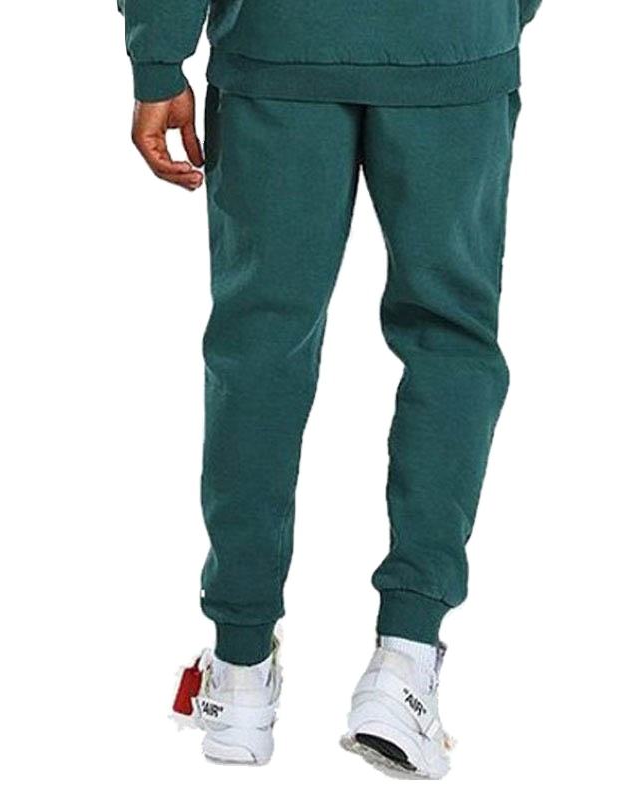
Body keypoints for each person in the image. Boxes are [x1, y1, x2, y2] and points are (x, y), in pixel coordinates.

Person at [120, 0, 542, 779]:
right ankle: (404, 663)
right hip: (454, 42)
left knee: (259, 348)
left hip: (280, 42)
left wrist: (157, 54)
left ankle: (239, 670)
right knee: (449, 341)